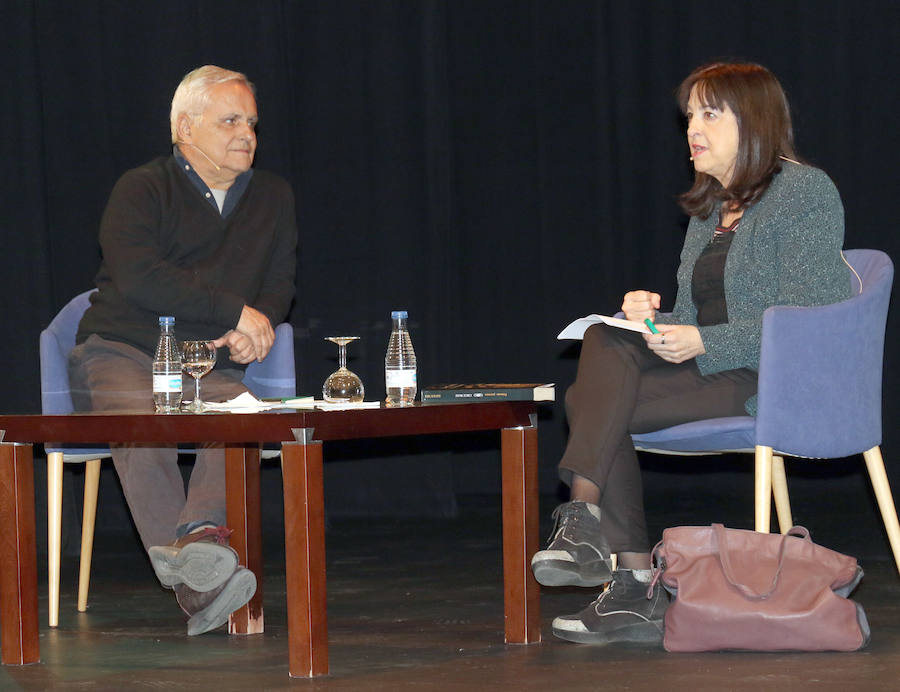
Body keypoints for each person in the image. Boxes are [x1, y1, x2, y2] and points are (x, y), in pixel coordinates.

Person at [530, 62, 851, 646]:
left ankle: (625, 577)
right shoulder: (711, 208)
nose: (691, 130)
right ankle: (584, 527)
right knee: (605, 340)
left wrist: (706, 340)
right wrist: (651, 319)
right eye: (688, 118)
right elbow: (697, 317)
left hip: (770, 376)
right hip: (710, 366)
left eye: (709, 114)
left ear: (752, 121)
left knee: (590, 404)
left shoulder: (804, 192)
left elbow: (810, 315)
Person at [69, 65, 297, 636]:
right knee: (143, 425)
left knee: (243, 416)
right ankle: (202, 584)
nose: (246, 133)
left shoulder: (272, 194)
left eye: (251, 122)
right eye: (230, 120)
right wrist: (233, 312)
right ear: (186, 129)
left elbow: (280, 280)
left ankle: (198, 538)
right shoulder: (142, 187)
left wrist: (260, 321)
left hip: (203, 359)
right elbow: (142, 278)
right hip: (121, 349)